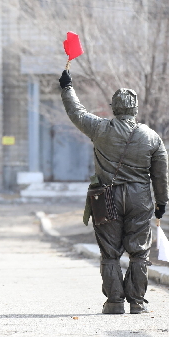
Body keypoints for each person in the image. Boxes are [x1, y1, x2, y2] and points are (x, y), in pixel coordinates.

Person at [59, 70, 168, 315]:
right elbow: (161, 174)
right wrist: (161, 202)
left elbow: (76, 112)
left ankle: (114, 302)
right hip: (140, 198)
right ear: (135, 109)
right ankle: (137, 303)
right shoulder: (152, 137)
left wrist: (67, 88)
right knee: (139, 252)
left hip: (106, 198)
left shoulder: (100, 128)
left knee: (110, 252)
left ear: (114, 108)